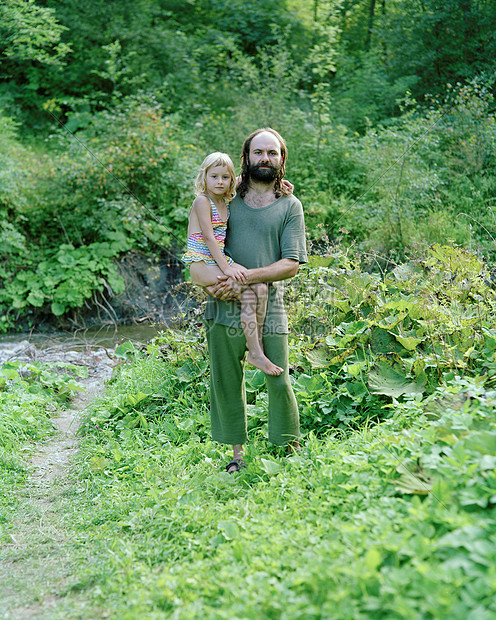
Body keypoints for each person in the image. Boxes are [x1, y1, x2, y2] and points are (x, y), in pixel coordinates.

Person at [204, 128, 307, 474]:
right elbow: (203, 245)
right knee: (227, 380)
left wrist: (248, 277)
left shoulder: (290, 206)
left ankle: (289, 447)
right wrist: (210, 284)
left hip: (269, 306)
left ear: (281, 159)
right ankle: (237, 456)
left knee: (279, 378)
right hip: (223, 302)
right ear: (246, 157)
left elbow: (291, 264)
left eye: (272, 153)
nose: (265, 158)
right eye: (258, 152)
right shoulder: (225, 202)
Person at [183, 152, 284, 376]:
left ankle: (255, 345)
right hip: (202, 262)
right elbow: (209, 238)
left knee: (259, 285)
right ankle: (256, 352)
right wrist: (227, 269)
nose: (220, 182)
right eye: (214, 177)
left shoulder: (224, 199)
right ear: (204, 178)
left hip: (218, 261)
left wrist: (279, 183)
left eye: (225, 178)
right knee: (248, 293)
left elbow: (244, 178)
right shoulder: (203, 201)